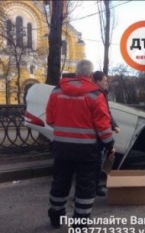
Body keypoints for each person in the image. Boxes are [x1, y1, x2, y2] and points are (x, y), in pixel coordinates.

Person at [46, 60, 115, 230]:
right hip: (87, 151)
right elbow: (103, 126)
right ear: (90, 75)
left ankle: (56, 215)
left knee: (60, 182)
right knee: (85, 187)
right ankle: (80, 224)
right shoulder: (95, 95)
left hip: (62, 148)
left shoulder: (57, 91)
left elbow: (50, 119)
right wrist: (109, 144)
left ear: (77, 73)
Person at [92, 71, 120, 196]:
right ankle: (94, 188)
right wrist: (110, 144)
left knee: (96, 163)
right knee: (96, 163)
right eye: (104, 80)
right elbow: (103, 117)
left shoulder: (102, 94)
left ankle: (93, 186)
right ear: (97, 81)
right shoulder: (97, 95)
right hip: (95, 137)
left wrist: (114, 125)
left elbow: (107, 112)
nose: (106, 82)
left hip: (93, 137)